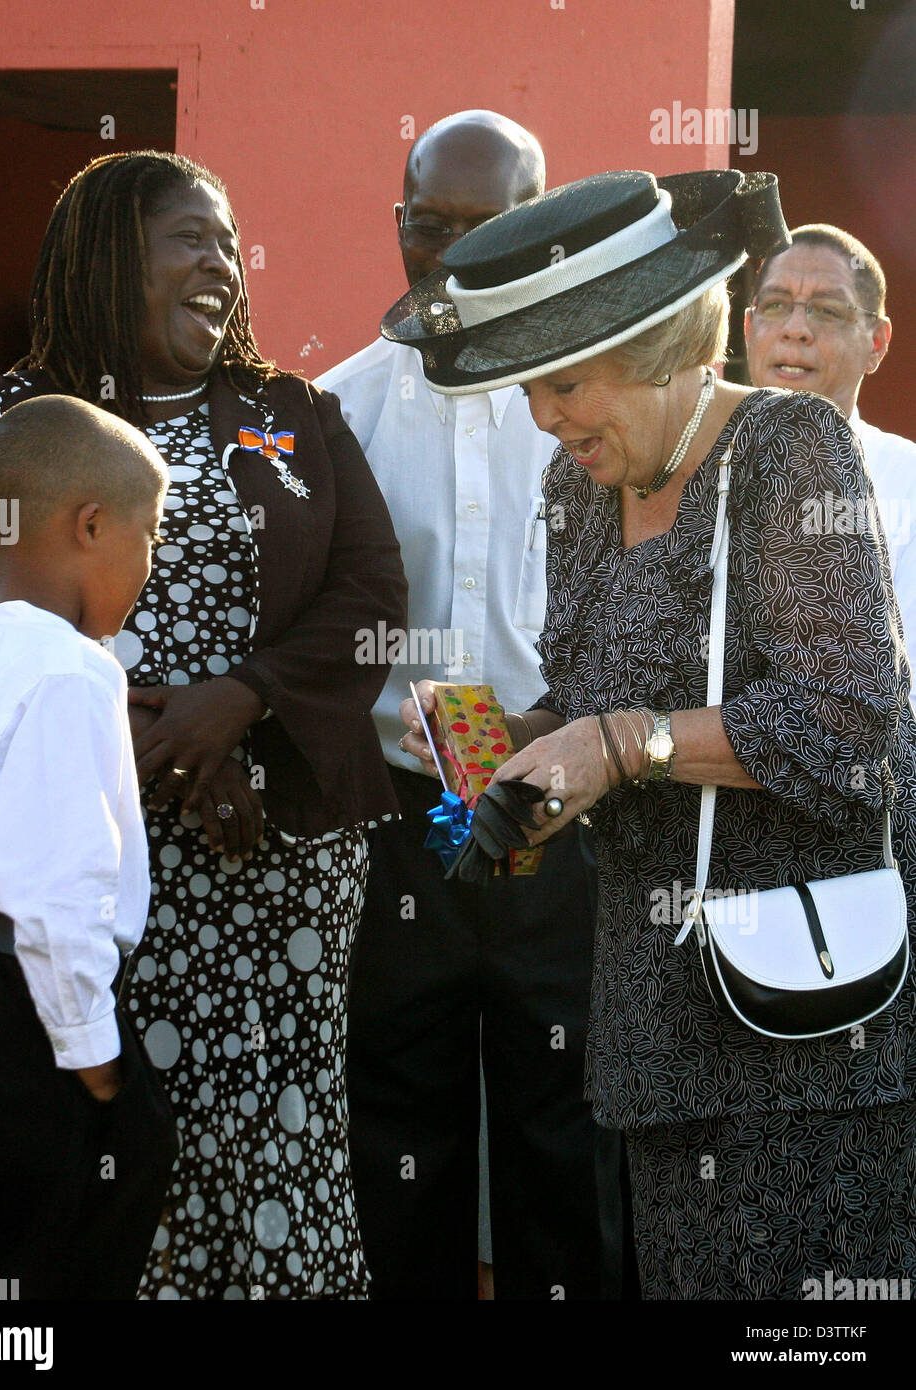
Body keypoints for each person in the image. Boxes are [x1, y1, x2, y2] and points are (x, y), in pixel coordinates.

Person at [386, 168, 916, 1299]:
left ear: (668, 344)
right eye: (530, 388)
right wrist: (497, 738)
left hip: (805, 1023)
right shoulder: (578, 489)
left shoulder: (790, 450)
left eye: (565, 382)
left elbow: (850, 725)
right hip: (652, 1021)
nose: (543, 415)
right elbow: (587, 709)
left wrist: (626, 743)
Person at [0, 150, 407, 1300]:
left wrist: (239, 710)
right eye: (191, 237)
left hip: (276, 863)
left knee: (272, 1122)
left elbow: (369, 597)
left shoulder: (294, 414)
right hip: (65, 865)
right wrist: (135, 743)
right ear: (106, 255)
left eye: (229, 241)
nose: (220, 264)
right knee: (103, 1142)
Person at [318, 111, 610, 1301]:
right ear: (396, 225)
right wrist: (468, 773)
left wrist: (539, 771)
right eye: (425, 228)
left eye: (484, 231)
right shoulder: (335, 411)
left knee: (567, 1121)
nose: (446, 256)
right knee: (402, 1125)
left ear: (537, 237)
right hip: (407, 823)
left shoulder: (597, 404)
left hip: (577, 813)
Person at [0, 394, 177, 1301]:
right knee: (60, 1254)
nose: (152, 563)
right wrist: (94, 1056)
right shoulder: (72, 675)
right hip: (33, 1015)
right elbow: (58, 896)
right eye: (149, 536)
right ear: (91, 525)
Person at [745, 223, 916, 682]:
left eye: (827, 311)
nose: (796, 330)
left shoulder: (908, 483)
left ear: (877, 344)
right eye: (776, 305)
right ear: (748, 325)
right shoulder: (691, 466)